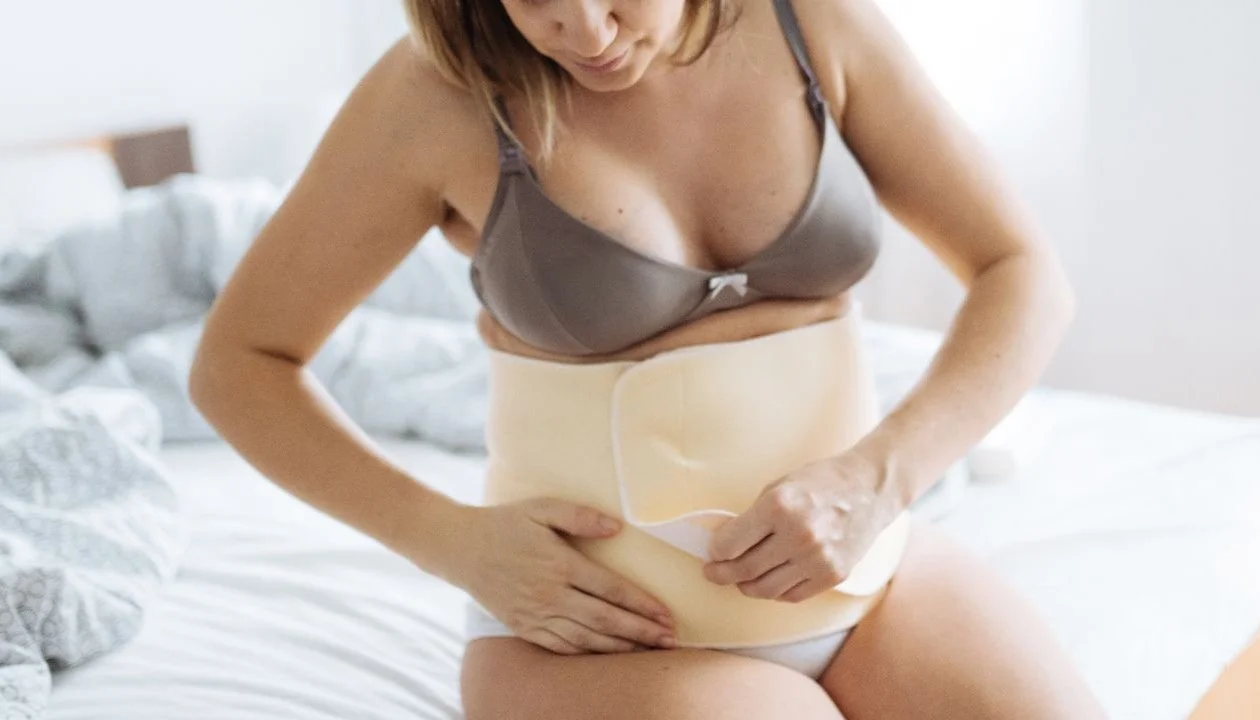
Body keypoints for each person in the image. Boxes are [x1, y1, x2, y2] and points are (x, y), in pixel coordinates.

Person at [189, 0, 1108, 717]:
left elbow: (1021, 271)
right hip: (598, 641)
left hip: (865, 576)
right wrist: (447, 540)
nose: (585, 31)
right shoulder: (437, 97)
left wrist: (879, 477)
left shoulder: (810, 25)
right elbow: (240, 363)